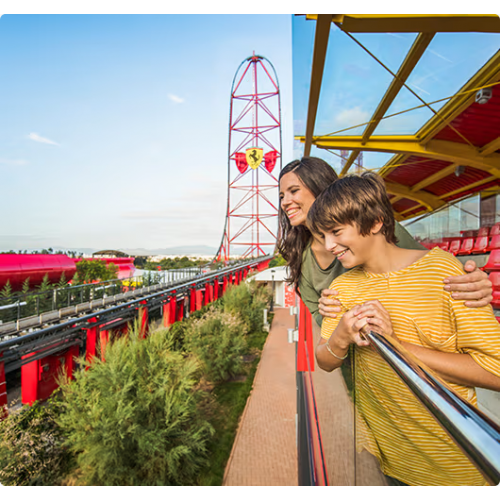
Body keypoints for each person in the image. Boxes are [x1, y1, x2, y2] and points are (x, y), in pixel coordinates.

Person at [307, 172, 500, 486]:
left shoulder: (445, 273)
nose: (329, 246)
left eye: (336, 232)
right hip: (386, 461)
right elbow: (325, 360)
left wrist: (394, 345)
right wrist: (341, 336)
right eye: (322, 236)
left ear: (375, 222)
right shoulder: (341, 289)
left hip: (455, 469)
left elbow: (496, 371)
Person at [277, 157, 493, 330]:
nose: (285, 202)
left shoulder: (374, 228)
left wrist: (472, 283)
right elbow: (321, 319)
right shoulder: (302, 259)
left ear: (320, 187)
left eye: (293, 191)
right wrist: (335, 321)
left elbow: (428, 271)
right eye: (281, 196)